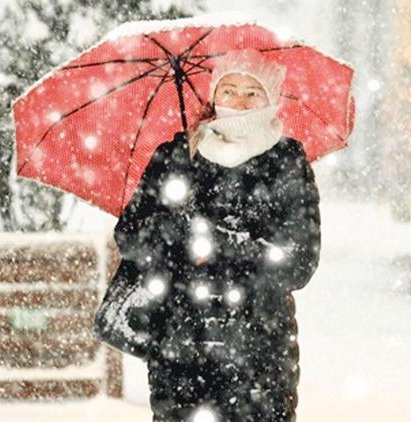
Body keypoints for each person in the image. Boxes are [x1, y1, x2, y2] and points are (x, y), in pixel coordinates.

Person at [93, 48, 321, 422]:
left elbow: (299, 263)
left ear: (271, 98)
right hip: (180, 349)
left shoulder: (286, 162)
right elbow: (131, 237)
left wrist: (222, 241)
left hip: (260, 353)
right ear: (214, 94)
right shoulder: (177, 156)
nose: (239, 100)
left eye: (253, 91)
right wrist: (172, 228)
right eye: (229, 89)